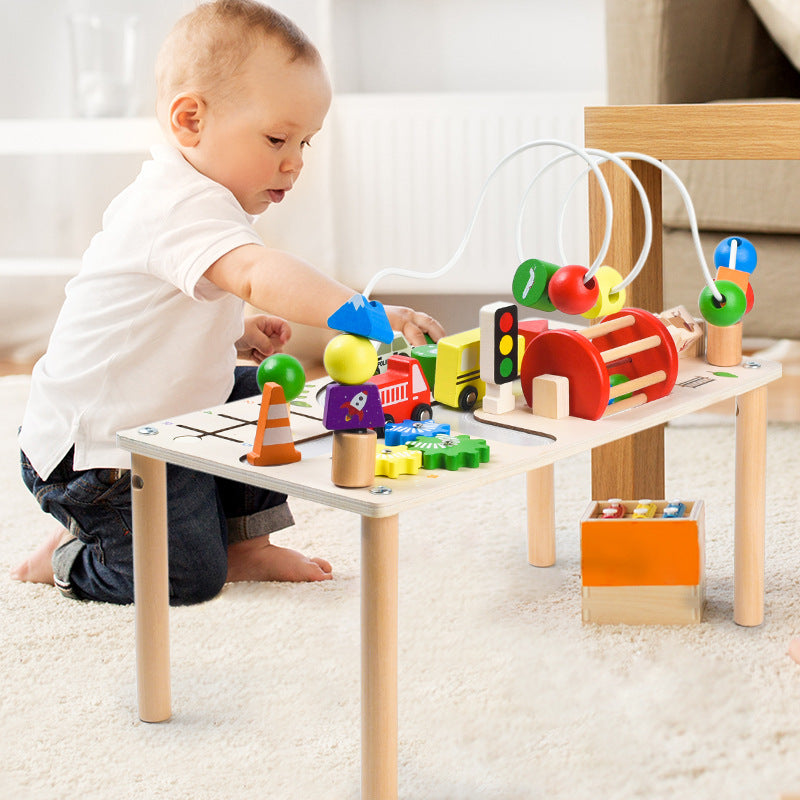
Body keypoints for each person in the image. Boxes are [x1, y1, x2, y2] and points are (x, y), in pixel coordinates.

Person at [11, 0, 444, 605]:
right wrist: (367, 314)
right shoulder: (175, 204)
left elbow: (161, 314)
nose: (294, 162)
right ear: (190, 120)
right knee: (186, 578)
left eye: (306, 143)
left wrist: (231, 334)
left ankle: (248, 545)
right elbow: (257, 272)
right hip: (99, 454)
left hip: (158, 414)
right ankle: (73, 557)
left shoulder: (203, 200)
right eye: (276, 139)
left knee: (264, 398)